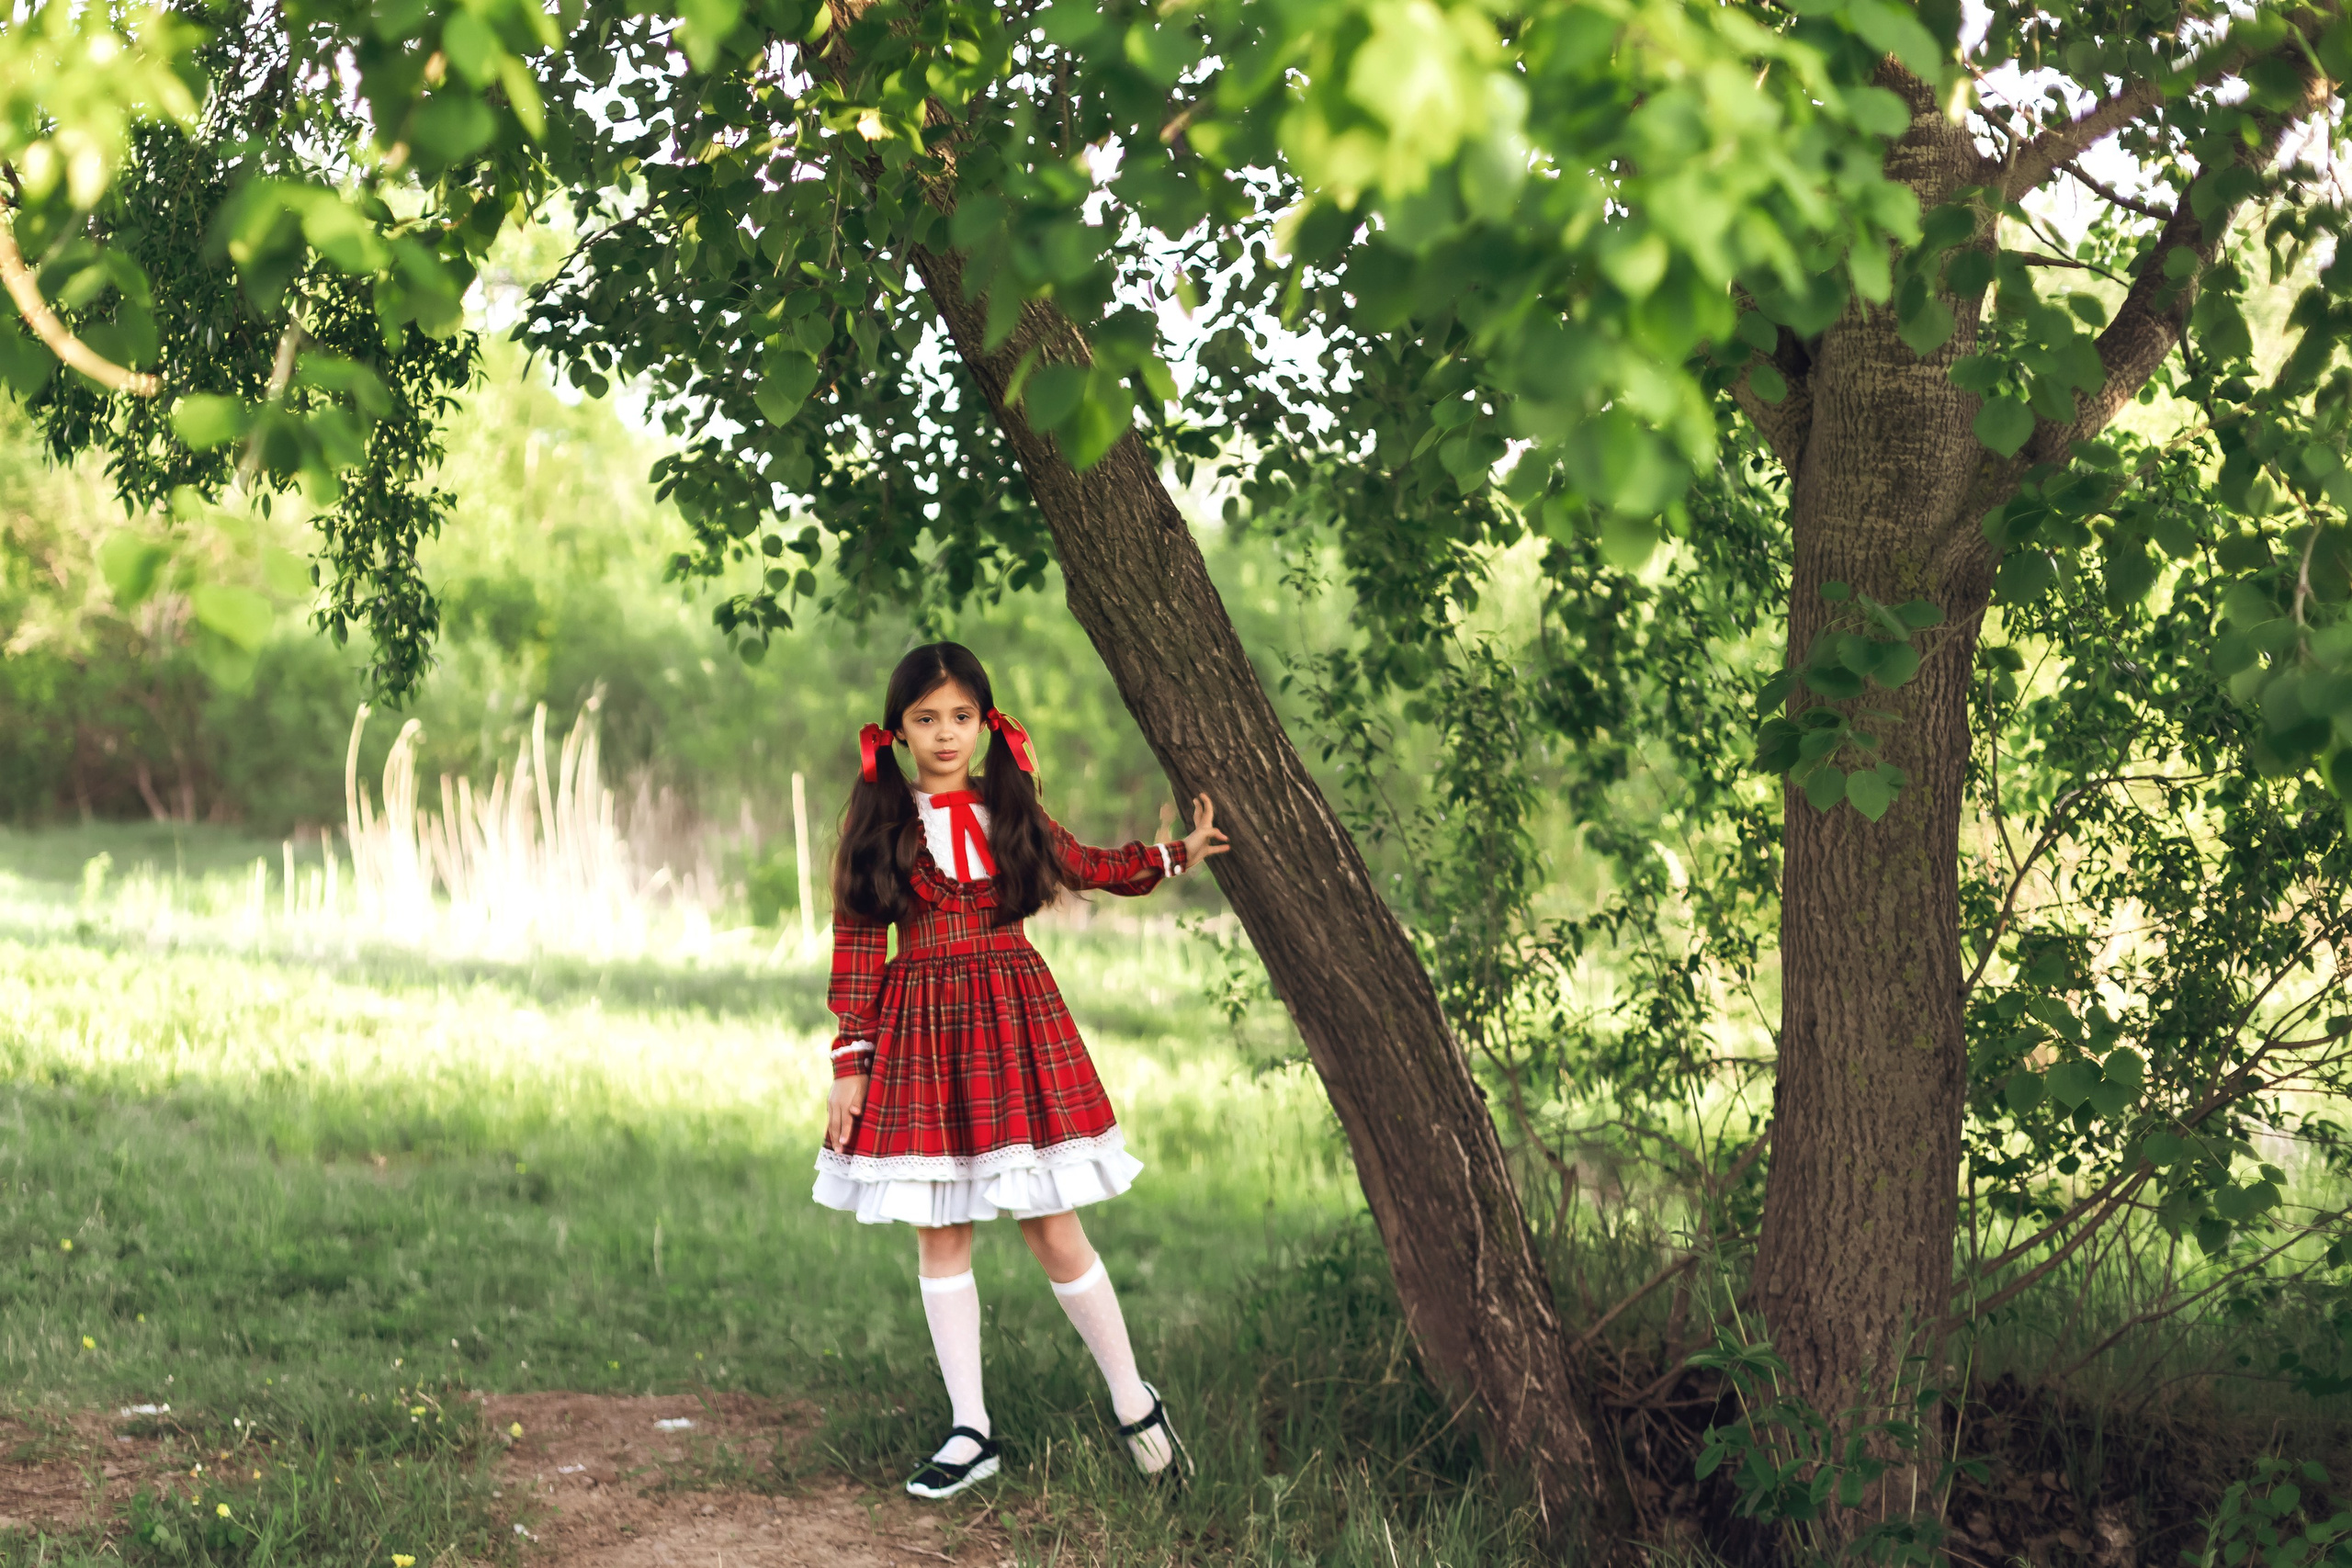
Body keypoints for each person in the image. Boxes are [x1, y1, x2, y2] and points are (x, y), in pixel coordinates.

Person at [815, 641, 1231, 1500]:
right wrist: (849, 1064)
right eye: (926, 719)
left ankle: (1133, 1401)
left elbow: (1088, 866)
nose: (944, 734)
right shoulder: (881, 827)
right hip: (922, 1033)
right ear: (896, 731)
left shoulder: (1011, 812)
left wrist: (1173, 854)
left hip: (1012, 1021)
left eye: (960, 717)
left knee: (1050, 1220)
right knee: (942, 1224)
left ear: (985, 722)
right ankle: (971, 1428)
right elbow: (858, 945)